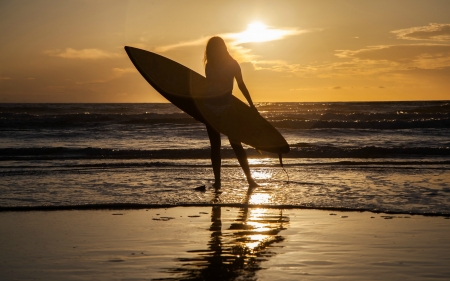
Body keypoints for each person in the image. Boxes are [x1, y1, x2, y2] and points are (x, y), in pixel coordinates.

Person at [203, 36, 259, 188]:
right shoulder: (212, 65)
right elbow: (209, 88)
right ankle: (218, 182)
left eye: (216, 48)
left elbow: (241, 85)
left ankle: (249, 180)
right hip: (212, 109)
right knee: (217, 146)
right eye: (213, 48)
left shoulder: (230, 64)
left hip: (224, 108)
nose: (214, 51)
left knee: (235, 144)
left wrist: (251, 104)